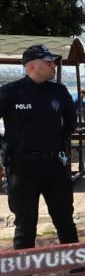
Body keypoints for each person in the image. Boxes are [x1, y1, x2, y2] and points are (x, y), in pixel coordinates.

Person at [0, 45, 80, 256]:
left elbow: (70, 123)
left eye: (54, 62)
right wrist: (4, 148)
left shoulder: (59, 91)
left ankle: (76, 267)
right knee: (25, 224)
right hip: (21, 167)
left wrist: (56, 143)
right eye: (48, 62)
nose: (53, 65)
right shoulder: (9, 92)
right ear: (32, 66)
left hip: (54, 165)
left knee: (64, 219)